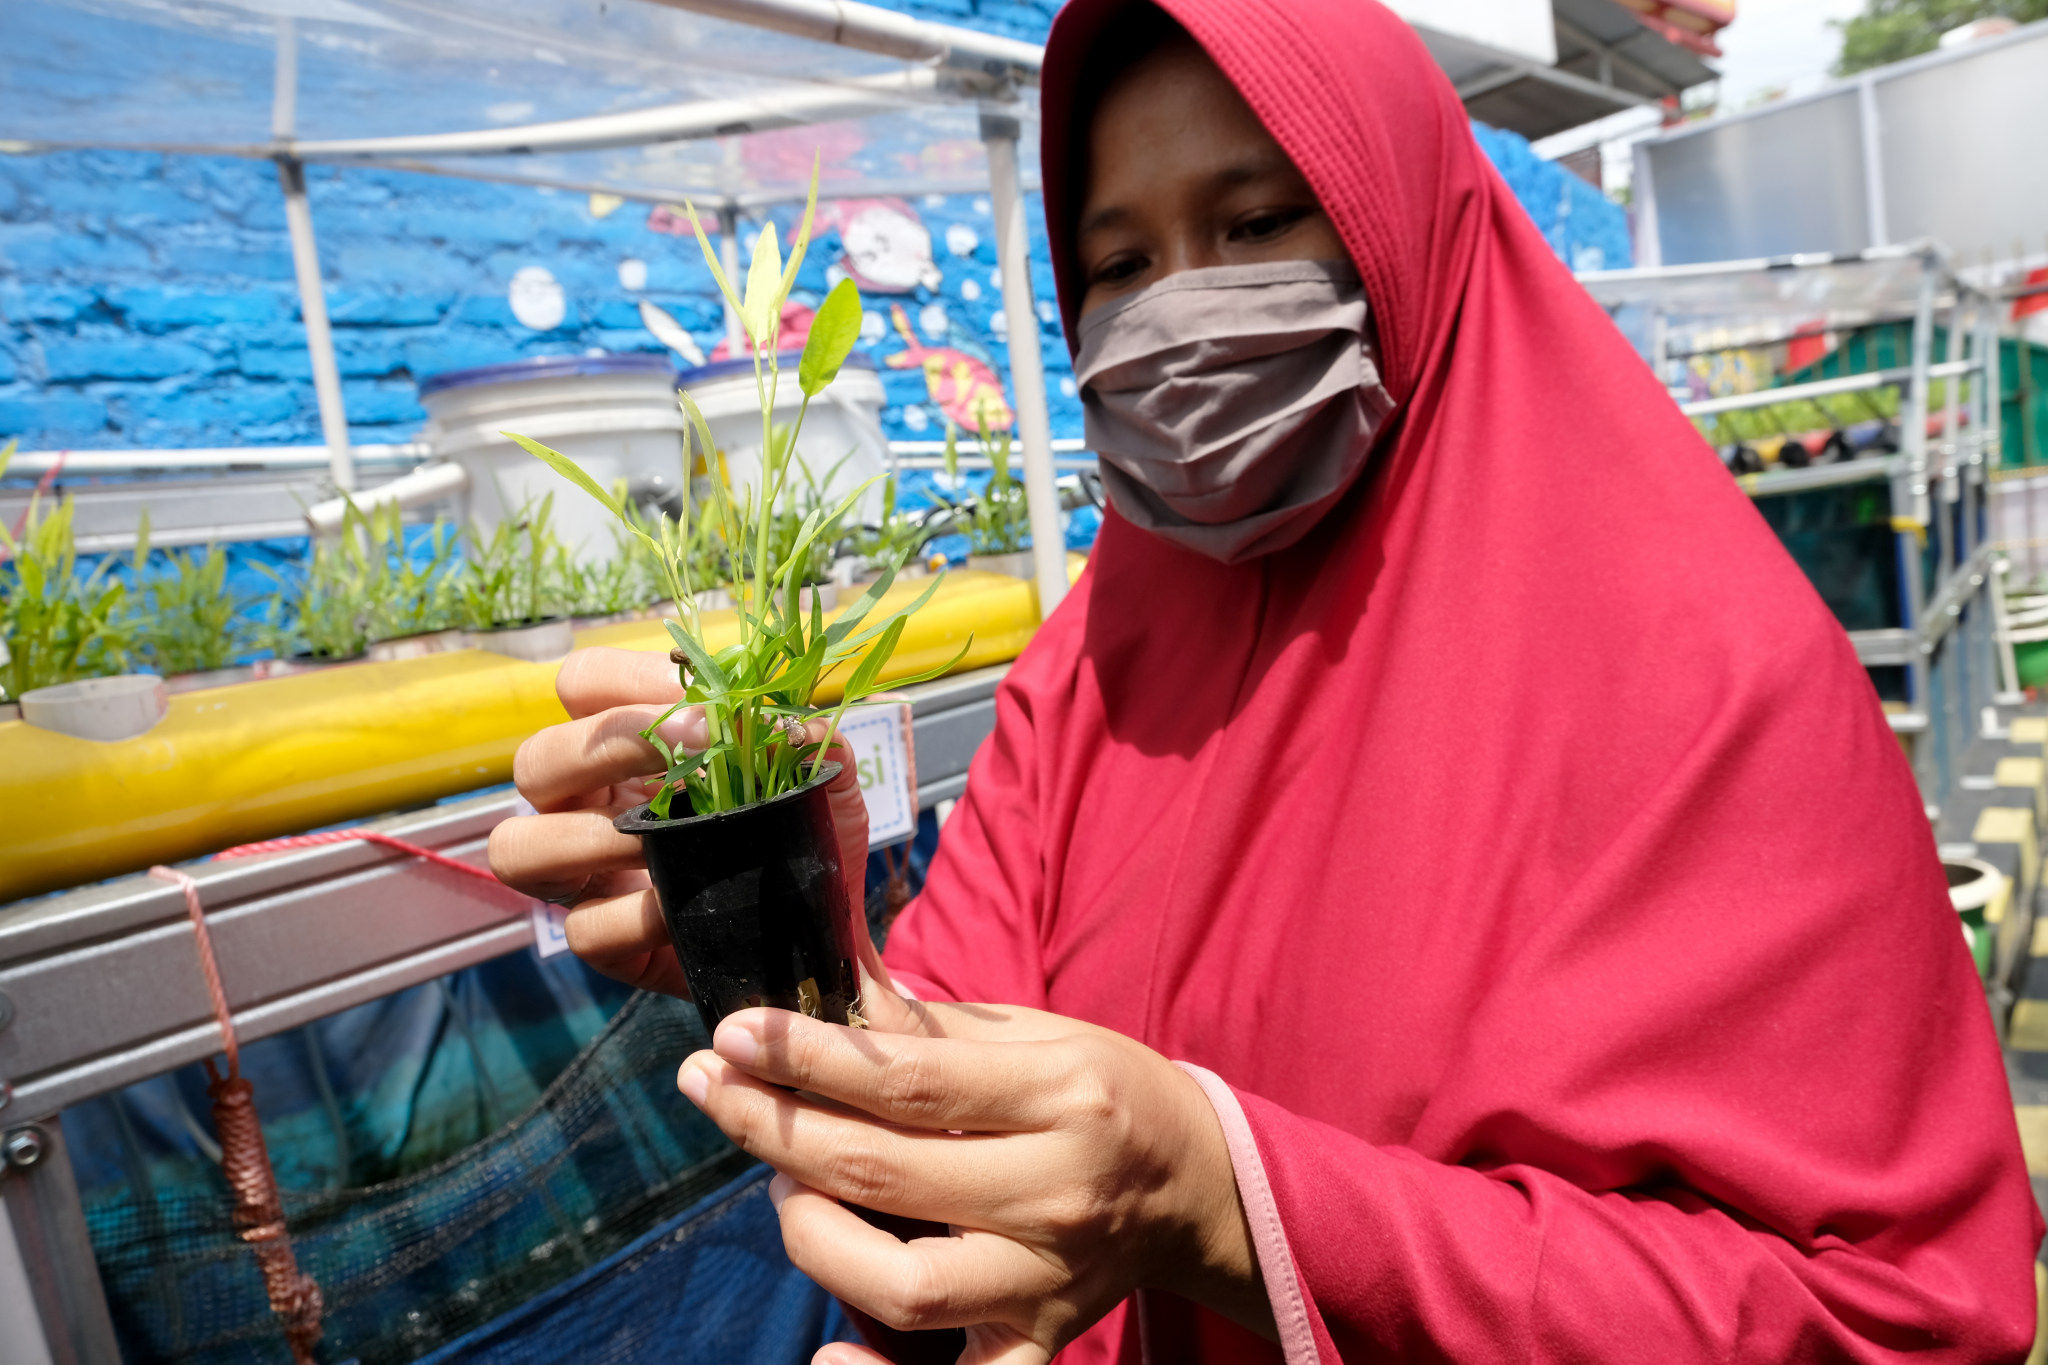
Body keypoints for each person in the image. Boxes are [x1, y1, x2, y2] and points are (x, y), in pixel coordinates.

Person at [487, 0, 2044, 1359]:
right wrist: (789, 940)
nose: (1181, 316)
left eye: (1253, 227)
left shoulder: (1702, 675)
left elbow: (1894, 1313)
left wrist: (1234, 1199)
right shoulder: (1094, 665)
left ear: (1404, 221)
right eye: (1119, 261)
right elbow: (954, 1065)